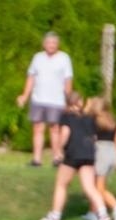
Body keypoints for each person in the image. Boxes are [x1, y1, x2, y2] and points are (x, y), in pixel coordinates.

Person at [39, 92, 108, 220]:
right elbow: (94, 137)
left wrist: (58, 150)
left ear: (67, 103)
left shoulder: (66, 117)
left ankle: (55, 217)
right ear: (80, 102)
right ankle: (103, 214)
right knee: (89, 187)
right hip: (89, 153)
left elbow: (65, 133)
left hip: (73, 153)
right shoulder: (89, 117)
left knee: (61, 184)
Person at [16, 31, 72, 167]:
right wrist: (25, 95)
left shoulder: (64, 58)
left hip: (57, 100)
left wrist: (68, 100)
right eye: (48, 43)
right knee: (38, 128)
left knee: (54, 128)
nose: (51, 45)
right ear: (44, 44)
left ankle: (57, 157)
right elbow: (31, 77)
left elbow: (68, 80)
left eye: (54, 43)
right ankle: (37, 159)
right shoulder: (37, 58)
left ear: (58, 44)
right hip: (38, 99)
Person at [85, 96, 116, 220]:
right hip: (111, 152)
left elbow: (82, 120)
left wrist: (87, 106)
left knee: (99, 188)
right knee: (95, 184)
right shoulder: (115, 121)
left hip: (100, 151)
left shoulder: (94, 120)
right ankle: (93, 212)